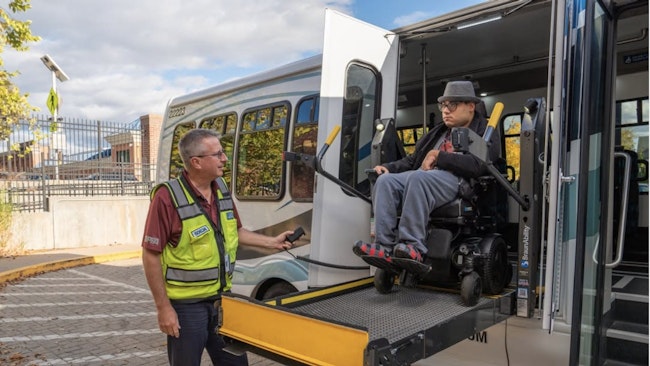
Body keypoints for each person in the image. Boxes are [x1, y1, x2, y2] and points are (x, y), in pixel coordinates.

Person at [141, 128, 294, 366]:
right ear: (196, 162)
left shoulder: (221, 189)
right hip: (187, 308)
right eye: (218, 153)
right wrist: (163, 308)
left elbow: (236, 231)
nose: (224, 158)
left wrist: (272, 242)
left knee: (235, 363)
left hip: (222, 301)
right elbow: (151, 254)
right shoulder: (167, 197)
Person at [353, 81, 501, 264]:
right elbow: (413, 160)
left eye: (452, 105)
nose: (445, 110)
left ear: (470, 106)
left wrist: (440, 157)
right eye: (443, 105)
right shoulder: (438, 132)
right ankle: (384, 247)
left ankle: (413, 246)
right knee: (385, 181)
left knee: (418, 177)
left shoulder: (484, 131)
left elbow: (479, 166)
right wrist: (389, 168)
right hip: (426, 177)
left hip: (458, 181)